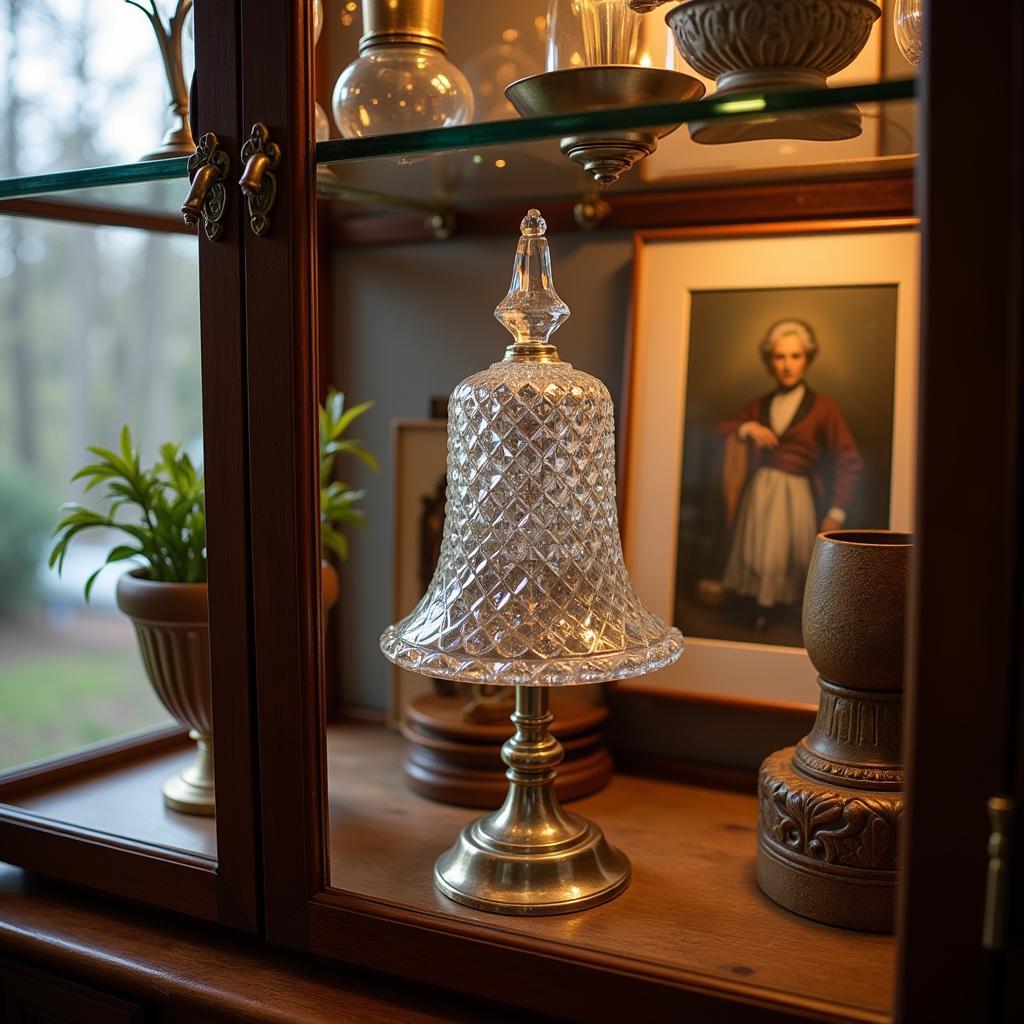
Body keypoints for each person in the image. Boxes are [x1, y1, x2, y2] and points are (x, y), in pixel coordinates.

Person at [716, 318, 863, 630]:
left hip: (796, 495)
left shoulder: (824, 408)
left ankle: (779, 612)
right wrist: (747, 427)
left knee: (785, 559)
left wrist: (837, 511)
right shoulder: (761, 404)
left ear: (807, 359)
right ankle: (757, 608)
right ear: (770, 361)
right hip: (759, 492)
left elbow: (849, 460)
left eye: (795, 356)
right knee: (757, 553)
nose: (787, 365)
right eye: (780, 357)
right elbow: (719, 428)